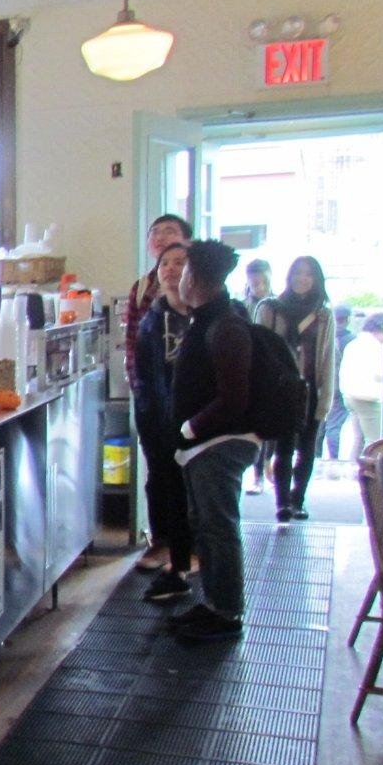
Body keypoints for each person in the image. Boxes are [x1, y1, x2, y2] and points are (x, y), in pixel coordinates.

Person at [169, 240, 261, 641]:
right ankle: (213, 603)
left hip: (220, 444)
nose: (177, 278)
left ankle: (227, 613)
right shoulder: (210, 319)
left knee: (218, 527)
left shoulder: (226, 326)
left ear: (196, 277)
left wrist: (190, 428)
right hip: (205, 444)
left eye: (183, 270)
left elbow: (235, 397)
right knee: (205, 526)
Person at [125, 213, 193, 569]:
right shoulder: (143, 288)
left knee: (190, 473)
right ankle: (162, 541)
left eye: (171, 234)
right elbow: (132, 344)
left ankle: (193, 546)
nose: (162, 239)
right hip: (151, 397)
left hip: (191, 404)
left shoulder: (202, 291)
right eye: (156, 234)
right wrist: (139, 388)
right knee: (158, 471)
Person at [255, 256, 336, 521]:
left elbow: (327, 359)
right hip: (282, 388)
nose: (302, 278)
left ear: (316, 280)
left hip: (311, 387)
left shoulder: (324, 313)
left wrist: (326, 396)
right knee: (284, 445)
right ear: (288, 277)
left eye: (308, 274)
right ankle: (282, 503)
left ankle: (298, 498)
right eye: (297, 273)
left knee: (308, 446)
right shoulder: (271, 308)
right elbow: (259, 349)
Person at [240, 259, 274, 493]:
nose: (257, 285)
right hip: (247, 372)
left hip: (269, 372)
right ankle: (256, 473)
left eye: (261, 279)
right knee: (253, 427)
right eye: (253, 280)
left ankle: (265, 469)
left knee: (269, 427)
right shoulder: (241, 305)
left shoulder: (277, 305)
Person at [339, 314, 383, 450]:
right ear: (379, 330)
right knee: (374, 439)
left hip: (350, 395)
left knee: (357, 438)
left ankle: (354, 466)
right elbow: (381, 372)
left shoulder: (353, 344)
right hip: (368, 397)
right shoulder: (374, 347)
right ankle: (370, 468)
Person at [321, 304, 354, 458]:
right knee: (334, 426)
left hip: (323, 386)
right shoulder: (351, 339)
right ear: (347, 319)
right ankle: (334, 458)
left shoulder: (325, 336)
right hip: (340, 387)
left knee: (320, 425)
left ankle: (316, 457)